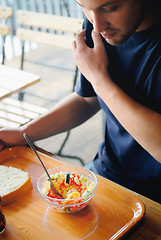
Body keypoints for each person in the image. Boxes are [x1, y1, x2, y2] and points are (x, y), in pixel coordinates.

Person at [0, 0, 161, 203]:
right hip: (108, 173)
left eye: (110, 8)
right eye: (84, 7)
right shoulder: (98, 25)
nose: (97, 24)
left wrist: (100, 80)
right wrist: (24, 133)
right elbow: (87, 99)